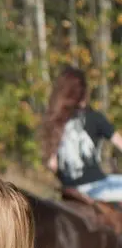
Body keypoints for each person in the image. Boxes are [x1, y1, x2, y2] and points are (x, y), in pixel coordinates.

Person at [42, 66, 122, 203]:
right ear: (83, 92)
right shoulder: (95, 118)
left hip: (69, 190)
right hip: (95, 187)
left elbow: (51, 164)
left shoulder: (58, 120)